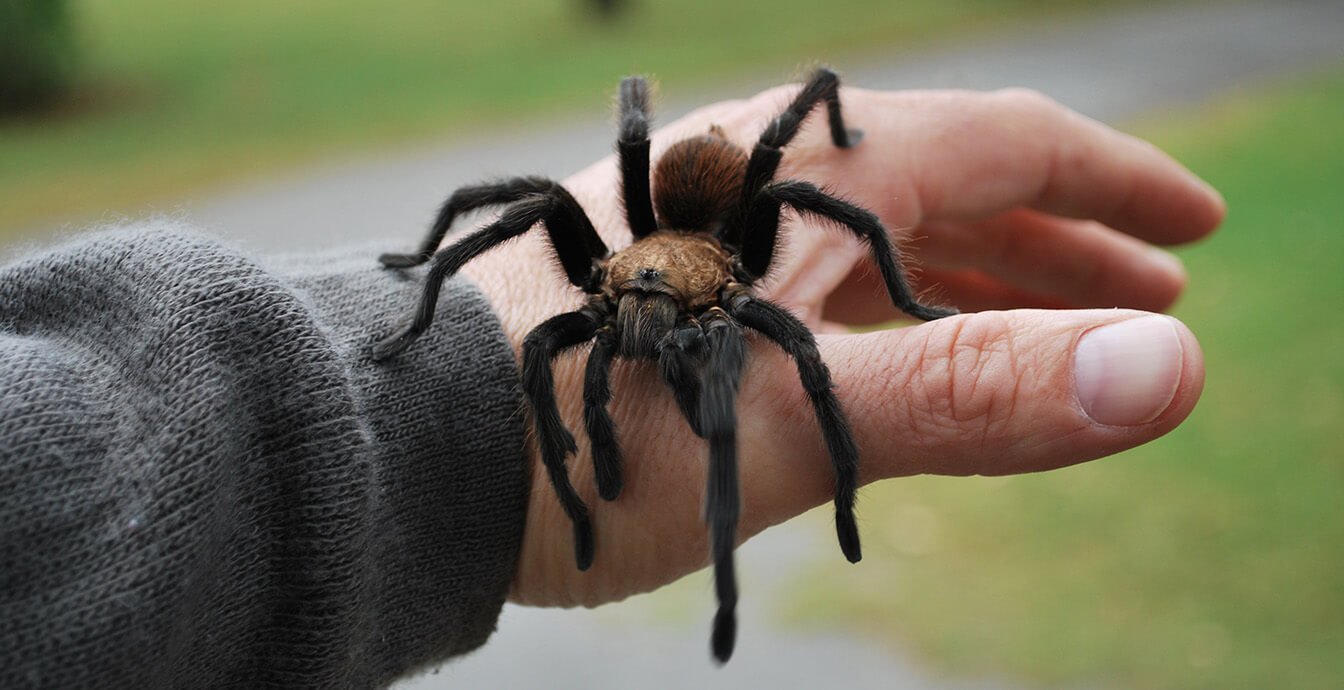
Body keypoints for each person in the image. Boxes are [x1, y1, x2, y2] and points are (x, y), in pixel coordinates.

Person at [0, 83, 1222, 688]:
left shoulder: (738, 262)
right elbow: (513, 243)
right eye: (613, 298)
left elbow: (805, 220)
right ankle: (579, 503)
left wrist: (905, 310)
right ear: (608, 269)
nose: (628, 325)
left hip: (704, 254)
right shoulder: (602, 287)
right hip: (654, 256)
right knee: (532, 296)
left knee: (783, 348)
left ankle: (753, 580)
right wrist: (424, 301)